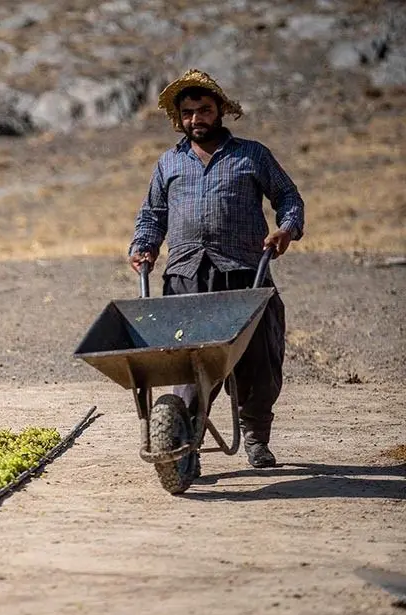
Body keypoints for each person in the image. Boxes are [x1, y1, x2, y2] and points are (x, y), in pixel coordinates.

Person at [128, 69, 305, 470]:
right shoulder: (169, 163)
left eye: (204, 110)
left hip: (244, 272)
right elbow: (152, 216)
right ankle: (182, 443)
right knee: (190, 365)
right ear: (179, 118)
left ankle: (256, 436)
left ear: (220, 110)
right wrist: (144, 247)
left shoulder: (252, 155)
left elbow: (288, 196)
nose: (197, 119)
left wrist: (286, 230)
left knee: (257, 360)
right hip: (187, 276)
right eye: (188, 112)